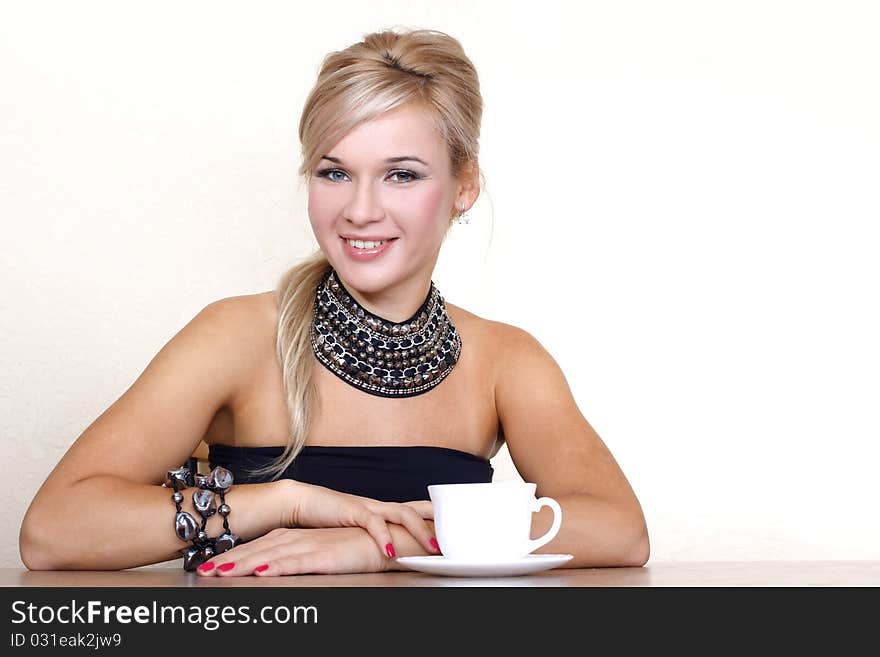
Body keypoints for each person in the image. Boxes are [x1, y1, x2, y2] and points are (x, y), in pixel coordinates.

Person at [19, 28, 650, 576]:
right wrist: (285, 501)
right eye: (334, 171)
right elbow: (54, 533)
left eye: (401, 173)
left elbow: (620, 530)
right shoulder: (236, 336)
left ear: (464, 186)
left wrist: (381, 546)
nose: (360, 209)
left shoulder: (505, 359)